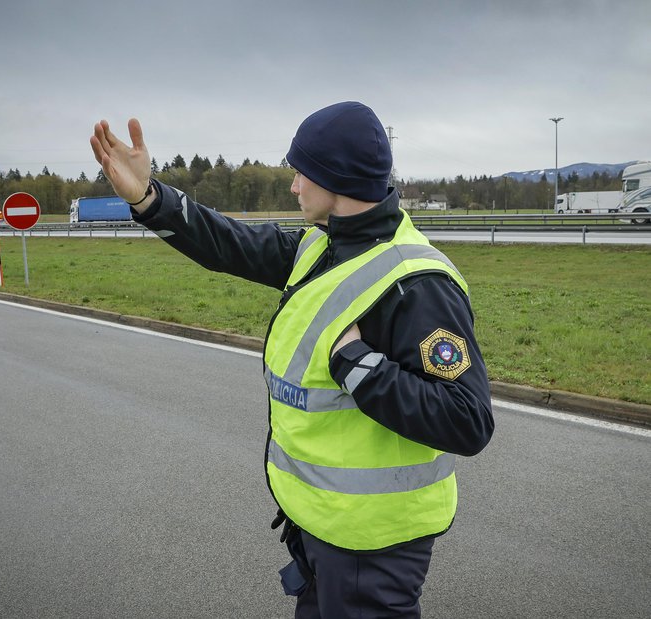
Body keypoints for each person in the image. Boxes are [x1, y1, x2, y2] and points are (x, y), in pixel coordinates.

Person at [90, 102, 494, 618]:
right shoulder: (322, 246)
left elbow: (468, 419)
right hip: (319, 531)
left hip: (371, 547)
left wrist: (356, 362)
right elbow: (227, 243)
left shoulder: (417, 282)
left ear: (336, 179)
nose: (293, 186)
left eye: (300, 173)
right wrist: (150, 198)